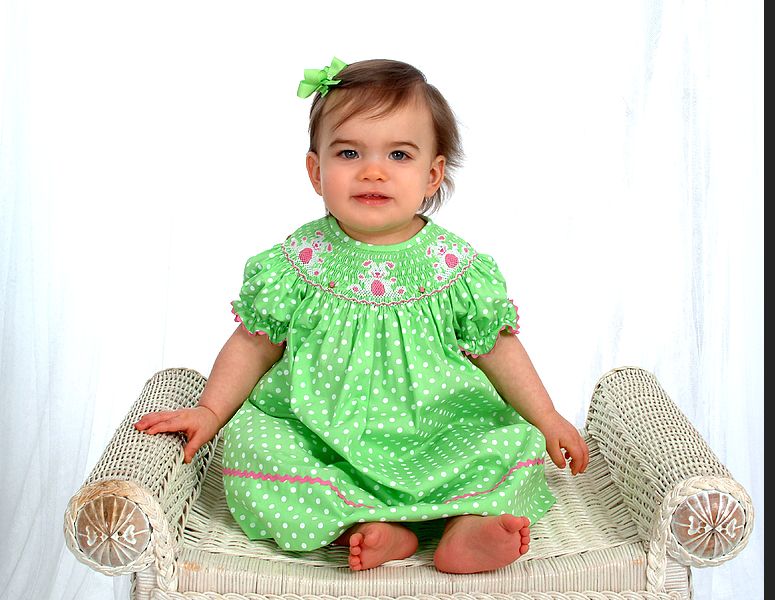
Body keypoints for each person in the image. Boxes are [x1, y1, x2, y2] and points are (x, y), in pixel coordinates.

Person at [135, 57, 589, 574]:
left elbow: (498, 348)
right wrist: (211, 412)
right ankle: (368, 527)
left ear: (431, 175)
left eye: (399, 154)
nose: (373, 170)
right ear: (316, 171)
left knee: (514, 440)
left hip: (437, 431)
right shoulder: (297, 262)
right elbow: (252, 344)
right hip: (319, 432)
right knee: (249, 445)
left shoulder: (456, 268)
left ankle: (468, 527)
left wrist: (547, 416)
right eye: (349, 152)